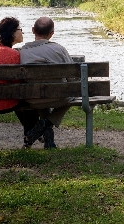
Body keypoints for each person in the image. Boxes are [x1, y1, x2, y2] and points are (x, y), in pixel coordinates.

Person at [0, 17, 42, 147]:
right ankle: (33, 133)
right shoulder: (13, 54)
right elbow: (18, 82)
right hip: (1, 102)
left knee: (18, 95)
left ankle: (33, 132)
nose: (22, 32)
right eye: (19, 29)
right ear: (12, 33)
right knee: (28, 97)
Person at [18, 16, 74, 149]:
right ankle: (47, 122)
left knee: (42, 96)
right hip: (58, 98)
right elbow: (73, 78)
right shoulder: (59, 49)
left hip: (33, 99)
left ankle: (49, 141)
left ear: (33, 30)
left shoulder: (22, 52)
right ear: (52, 33)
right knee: (73, 94)